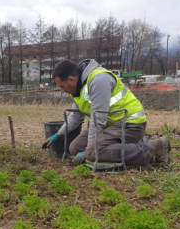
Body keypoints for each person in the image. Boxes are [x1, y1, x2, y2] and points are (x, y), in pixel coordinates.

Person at [42, 59, 171, 166]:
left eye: (61, 86)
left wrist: (89, 149)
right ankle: (123, 147)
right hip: (110, 127)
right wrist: (58, 134)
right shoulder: (78, 89)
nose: (62, 91)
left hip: (130, 124)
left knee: (92, 152)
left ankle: (155, 147)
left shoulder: (98, 80)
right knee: (75, 148)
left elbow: (98, 118)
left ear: (71, 79)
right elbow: (76, 115)